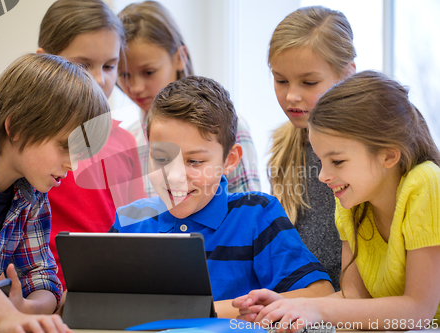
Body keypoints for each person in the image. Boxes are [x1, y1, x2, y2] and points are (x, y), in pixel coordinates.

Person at [110, 76, 335, 319]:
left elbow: (319, 294)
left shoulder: (256, 214)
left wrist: (199, 312)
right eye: (162, 159)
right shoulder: (129, 220)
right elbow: (86, 298)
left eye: (194, 161)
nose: (174, 176)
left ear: (229, 160)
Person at [233, 71, 440, 330]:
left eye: (337, 161)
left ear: (388, 155)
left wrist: (315, 307)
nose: (322, 176)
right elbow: (352, 298)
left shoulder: (425, 183)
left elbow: (419, 312)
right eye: (321, 161)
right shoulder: (351, 205)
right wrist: (285, 305)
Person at [0, 53, 110, 332]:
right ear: (16, 126)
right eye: (65, 147)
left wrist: (23, 308)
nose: (73, 164)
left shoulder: (32, 196)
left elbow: (44, 280)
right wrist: (1, 310)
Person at [37, 0, 146, 290]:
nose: (99, 80)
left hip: (109, 293)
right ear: (42, 61)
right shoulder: (32, 142)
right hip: (43, 294)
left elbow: (136, 229)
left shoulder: (124, 141)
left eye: (110, 66)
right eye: (83, 65)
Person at [116, 0, 261, 197]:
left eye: (149, 72)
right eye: (124, 75)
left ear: (179, 57)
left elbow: (248, 211)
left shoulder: (224, 126)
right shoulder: (129, 140)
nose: (135, 87)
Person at [266, 6, 356, 291]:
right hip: (303, 304)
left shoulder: (370, 151)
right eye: (280, 80)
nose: (291, 95)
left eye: (309, 82)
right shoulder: (284, 145)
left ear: (346, 75)